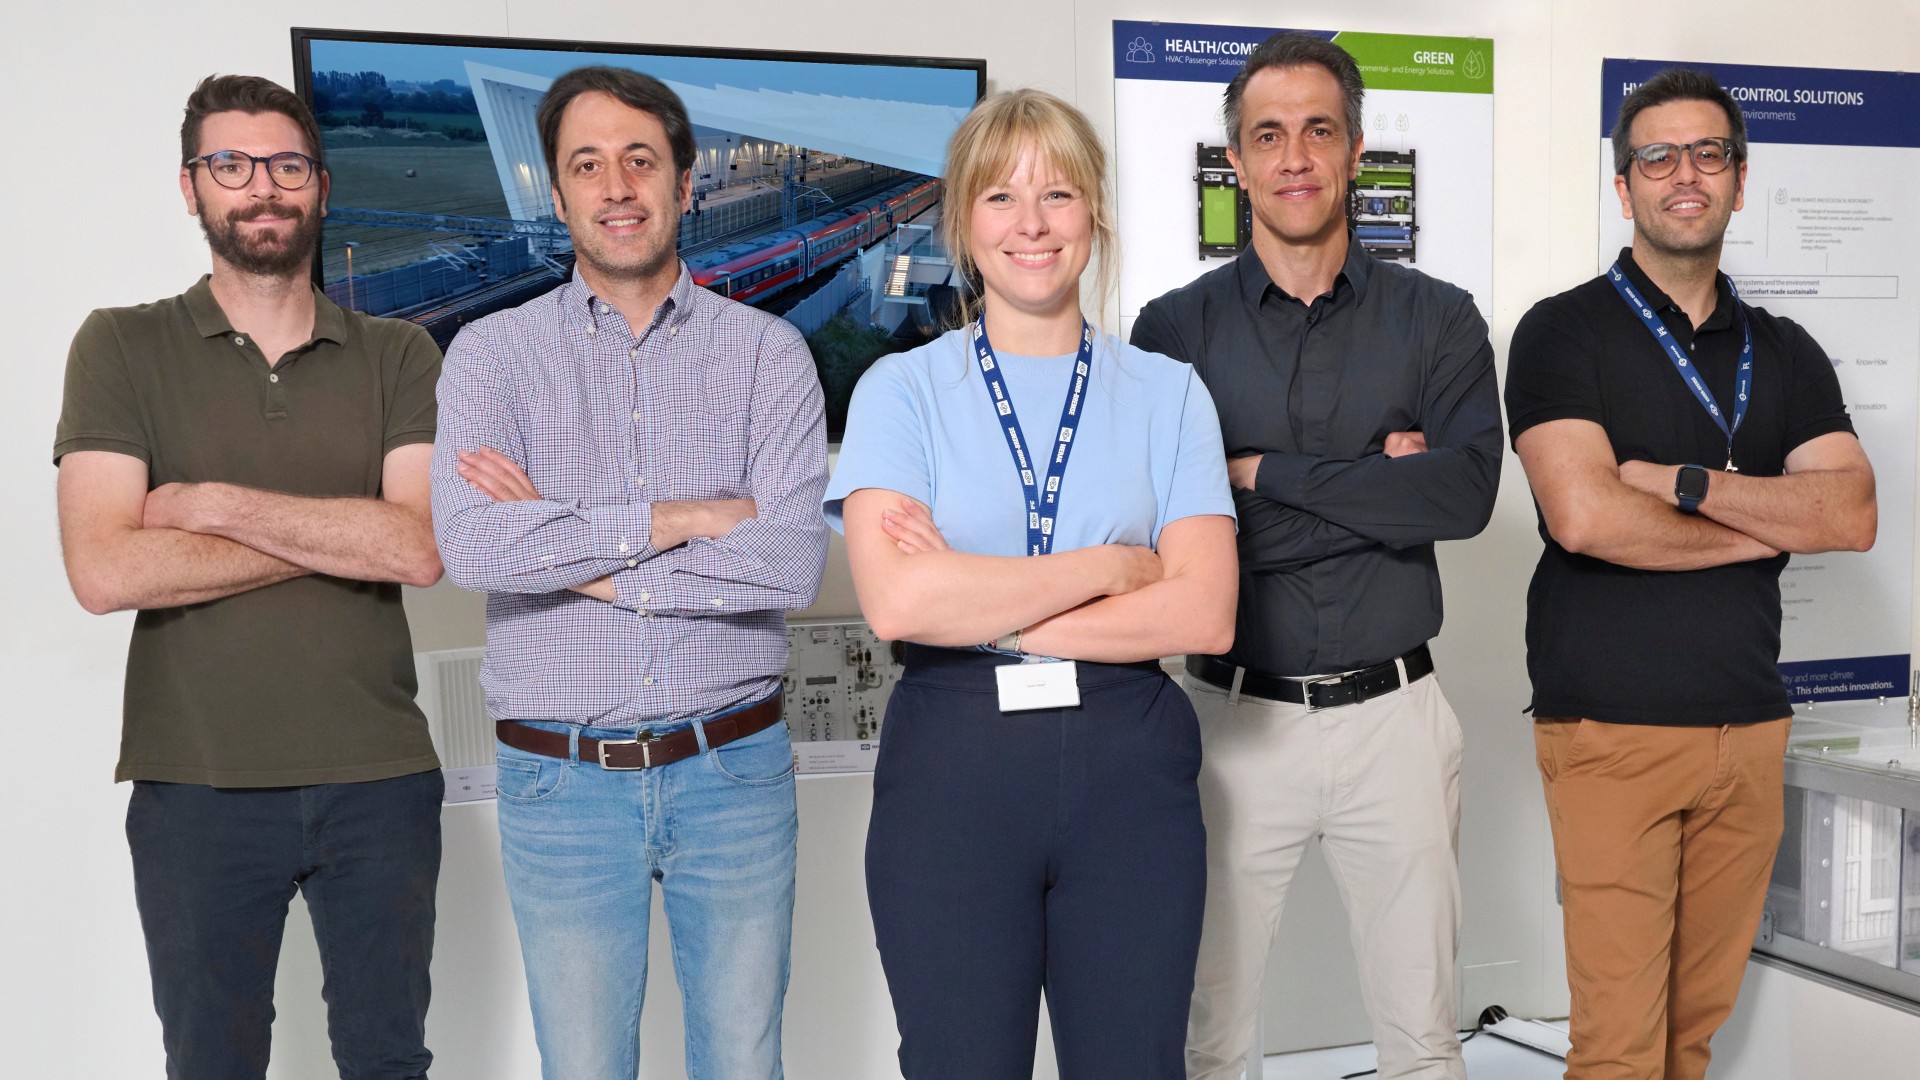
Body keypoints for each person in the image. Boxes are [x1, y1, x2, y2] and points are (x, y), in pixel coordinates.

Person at [826, 88, 1239, 1080]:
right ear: (964, 224)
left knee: (1138, 1064)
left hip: (1129, 771)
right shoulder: (902, 391)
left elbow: (1203, 611)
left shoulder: (1168, 393)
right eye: (1002, 198)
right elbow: (899, 604)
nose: (1032, 224)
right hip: (953, 779)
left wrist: (986, 603)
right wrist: (1106, 572)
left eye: (1057, 195)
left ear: (1093, 214)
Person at [430, 66, 828, 1080]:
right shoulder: (487, 357)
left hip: (734, 769)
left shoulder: (771, 356)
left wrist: (571, 552)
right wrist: (686, 520)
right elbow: (474, 547)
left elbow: (787, 559)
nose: (618, 187)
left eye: (641, 161)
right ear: (556, 197)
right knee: (585, 1068)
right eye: (588, 165)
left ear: (686, 184)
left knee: (744, 1062)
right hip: (559, 782)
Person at [54, 74, 446, 1079]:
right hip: (196, 785)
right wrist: (336, 532)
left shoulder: (400, 355)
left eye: (285, 165)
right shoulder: (121, 345)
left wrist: (215, 505)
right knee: (211, 1065)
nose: (260, 188)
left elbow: (417, 548)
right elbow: (104, 569)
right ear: (192, 188)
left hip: (379, 779)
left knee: (387, 1061)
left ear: (320, 185)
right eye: (230, 165)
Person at [1130, 33, 1501, 1080]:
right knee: (1208, 1039)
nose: (1295, 156)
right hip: (1229, 726)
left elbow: (1464, 496)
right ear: (1236, 163)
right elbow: (1168, 541)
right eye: (1269, 135)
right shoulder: (1172, 333)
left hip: (1398, 723)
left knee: (1425, 1040)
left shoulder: (1438, 321)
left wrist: (1259, 478)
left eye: (1319, 130)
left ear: (1357, 150)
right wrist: (1380, 491)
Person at [1506, 68, 1874, 1080]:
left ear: (1739, 180)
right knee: (1621, 1050)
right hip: (1611, 733)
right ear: (1623, 186)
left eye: (1707, 153)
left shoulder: (1785, 351)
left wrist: (1682, 485)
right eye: (1657, 156)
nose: (1684, 175)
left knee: (1690, 1041)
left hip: (1749, 733)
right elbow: (1583, 517)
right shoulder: (1563, 332)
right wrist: (1768, 520)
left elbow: (1850, 511)